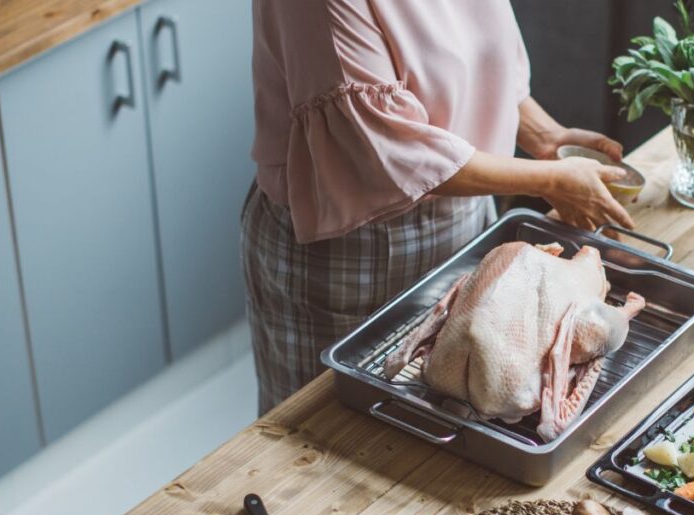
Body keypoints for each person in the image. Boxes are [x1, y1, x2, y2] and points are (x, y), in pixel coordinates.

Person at [243, 0, 635, 414]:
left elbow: (471, 52)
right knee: (327, 435)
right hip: (352, 250)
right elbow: (386, 149)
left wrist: (545, 137)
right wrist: (550, 179)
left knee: (448, 437)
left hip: (465, 220)